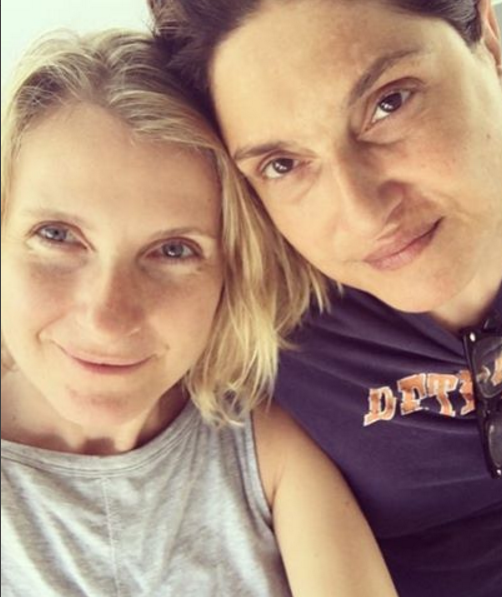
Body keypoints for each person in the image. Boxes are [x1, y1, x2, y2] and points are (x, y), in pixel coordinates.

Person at [149, 1, 502, 596]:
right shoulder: (243, 297)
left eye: (390, 102)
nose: (364, 215)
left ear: (488, 41)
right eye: (283, 164)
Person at [0, 29, 399, 597]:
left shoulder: (261, 448)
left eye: (173, 250)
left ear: (231, 276)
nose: (107, 318)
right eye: (56, 235)